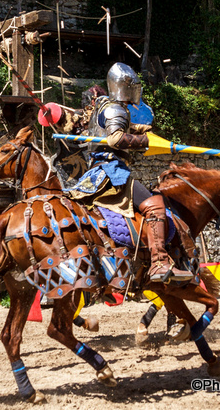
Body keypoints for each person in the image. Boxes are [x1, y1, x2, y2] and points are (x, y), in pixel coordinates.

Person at [68, 62, 192, 283]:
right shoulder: (115, 108)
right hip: (111, 171)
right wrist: (144, 141)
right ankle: (159, 264)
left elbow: (115, 131)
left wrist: (138, 130)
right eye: (134, 85)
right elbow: (115, 139)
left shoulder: (103, 106)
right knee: (155, 204)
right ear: (126, 86)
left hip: (96, 171)